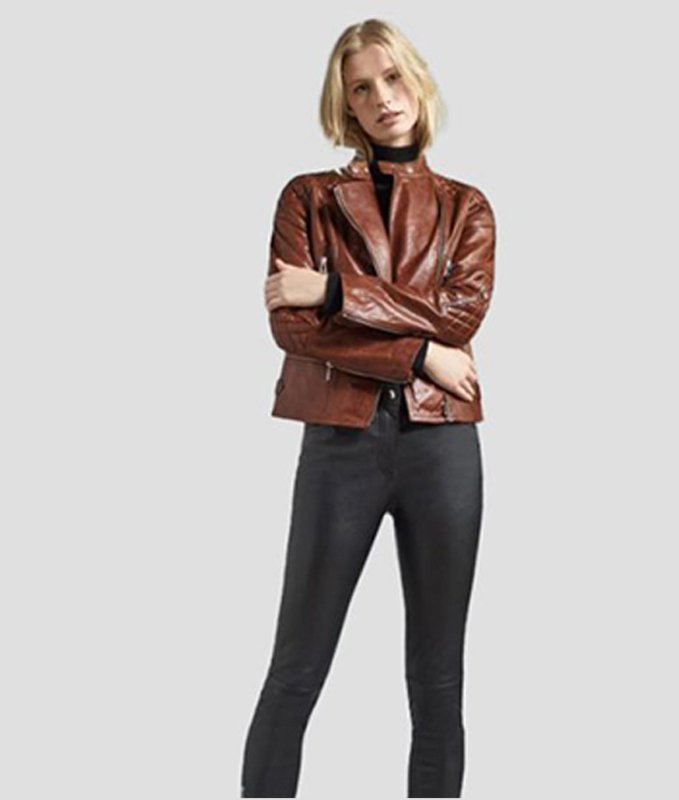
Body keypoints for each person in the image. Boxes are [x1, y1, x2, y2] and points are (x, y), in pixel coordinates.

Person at [241, 17, 496, 799]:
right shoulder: (308, 198)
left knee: (439, 681)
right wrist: (419, 356)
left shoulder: (467, 208)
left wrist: (334, 290)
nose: (382, 97)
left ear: (416, 79)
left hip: (441, 447)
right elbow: (293, 328)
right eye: (361, 88)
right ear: (344, 106)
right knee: (296, 668)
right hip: (341, 442)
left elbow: (460, 315)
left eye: (391, 77)